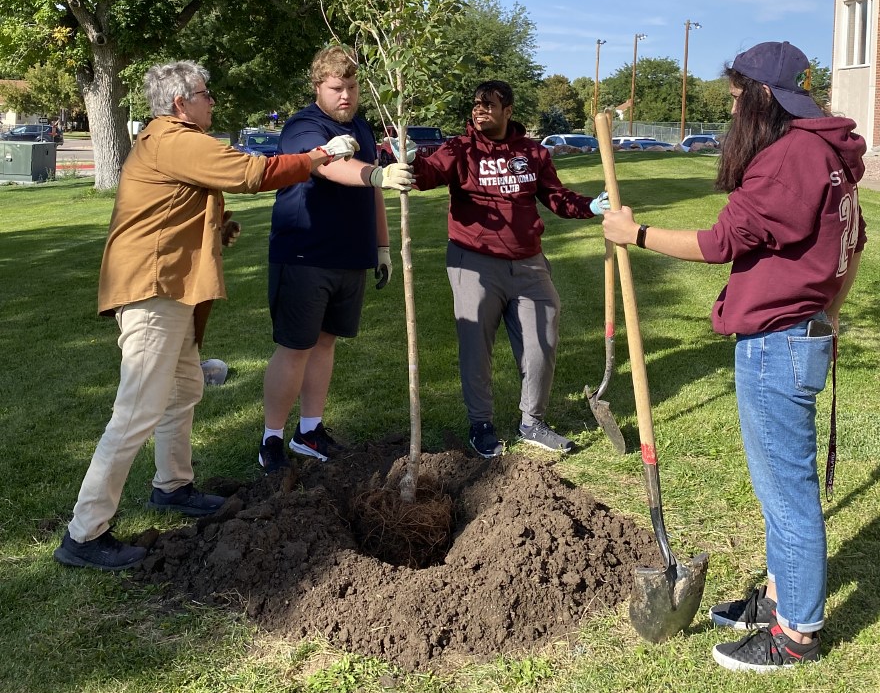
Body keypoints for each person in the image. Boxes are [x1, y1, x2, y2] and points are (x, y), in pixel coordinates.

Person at [602, 41, 866, 671]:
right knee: (781, 484)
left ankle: (795, 634)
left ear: (763, 95)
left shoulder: (790, 157)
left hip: (778, 343)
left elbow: (720, 241)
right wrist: (828, 308)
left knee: (787, 493)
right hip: (798, 333)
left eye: (736, 92)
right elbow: (851, 247)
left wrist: (633, 233)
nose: (730, 102)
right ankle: (779, 598)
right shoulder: (828, 153)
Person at [54, 60, 358, 571]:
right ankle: (83, 533)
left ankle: (172, 486)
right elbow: (250, 172)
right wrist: (318, 155)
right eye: (205, 93)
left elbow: (173, 207)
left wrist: (216, 230)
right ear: (180, 102)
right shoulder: (175, 137)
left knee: (183, 390)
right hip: (153, 291)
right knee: (136, 410)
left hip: (168, 288)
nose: (212, 100)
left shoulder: (167, 140)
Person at [401, 80, 608, 459]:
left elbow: (555, 197)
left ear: (508, 110)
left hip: (529, 263)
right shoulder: (460, 148)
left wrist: (591, 206)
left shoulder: (532, 153)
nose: (479, 111)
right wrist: (411, 160)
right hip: (474, 262)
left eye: (488, 105)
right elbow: (428, 175)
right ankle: (481, 425)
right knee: (475, 348)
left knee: (541, 343)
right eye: (475, 105)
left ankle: (533, 421)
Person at [259, 45, 413, 472]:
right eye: (335, 88)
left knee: (325, 344)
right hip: (305, 252)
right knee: (295, 347)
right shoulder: (304, 126)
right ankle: (271, 438)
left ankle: (309, 431)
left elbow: (373, 189)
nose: (345, 95)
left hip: (350, 255)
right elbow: (328, 167)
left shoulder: (361, 126)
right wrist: (374, 172)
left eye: (351, 86)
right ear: (318, 88)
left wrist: (381, 246)